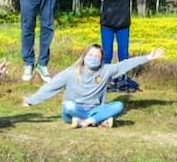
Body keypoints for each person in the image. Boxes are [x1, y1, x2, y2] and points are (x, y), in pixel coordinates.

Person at [23, 44, 165, 128]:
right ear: (84, 56)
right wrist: (31, 101)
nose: (93, 58)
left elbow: (125, 65)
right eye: (90, 55)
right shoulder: (71, 73)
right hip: (73, 111)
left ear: (102, 59)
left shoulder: (106, 71)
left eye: (97, 56)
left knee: (118, 106)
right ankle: (97, 121)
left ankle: (86, 122)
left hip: (95, 110)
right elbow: (51, 87)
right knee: (68, 106)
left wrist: (148, 57)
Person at [83, 0, 148, 90]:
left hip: (123, 25)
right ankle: (104, 79)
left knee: (123, 54)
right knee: (106, 54)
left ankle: (122, 79)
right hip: (107, 25)